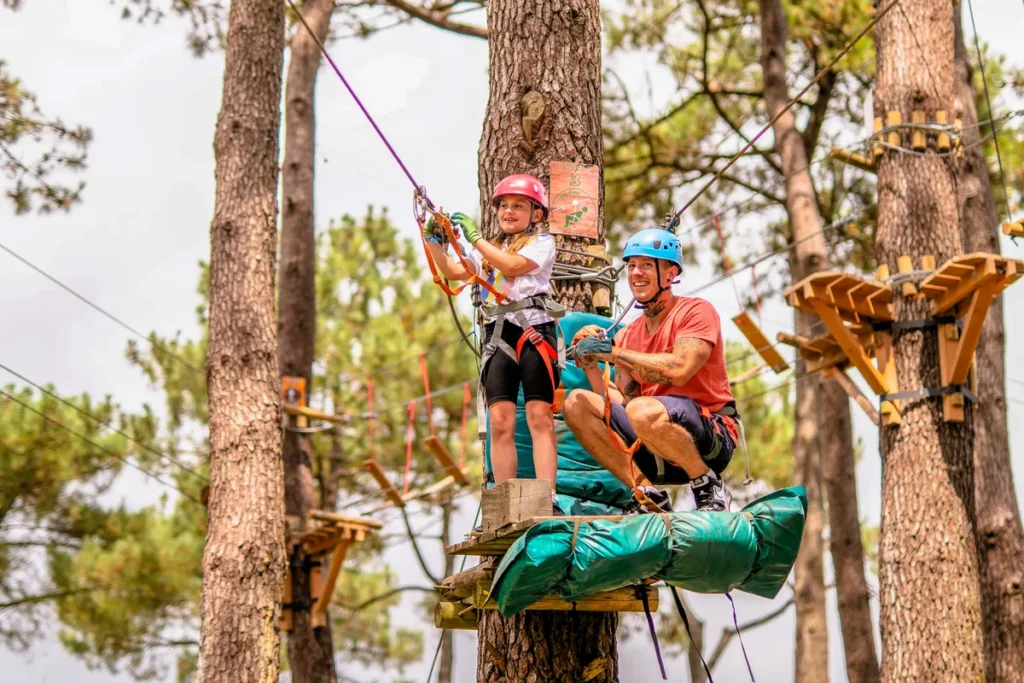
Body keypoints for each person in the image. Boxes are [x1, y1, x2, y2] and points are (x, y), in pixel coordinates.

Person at [563, 228, 738, 513]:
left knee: (643, 411)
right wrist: (592, 366)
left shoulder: (695, 312)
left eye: (646, 265)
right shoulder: (628, 335)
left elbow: (680, 369)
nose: (636, 273)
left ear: (669, 274)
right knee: (576, 403)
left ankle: (708, 484)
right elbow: (623, 402)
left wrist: (613, 352)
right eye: (631, 266)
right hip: (656, 441)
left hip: (710, 440)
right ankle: (646, 493)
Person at [422, 174, 564, 514]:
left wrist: (474, 237)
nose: (510, 211)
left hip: (533, 329)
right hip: (499, 333)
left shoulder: (542, 243)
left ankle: (549, 497)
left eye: (519, 206)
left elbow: (512, 266)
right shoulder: (487, 251)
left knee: (538, 415)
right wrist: (434, 240)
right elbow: (453, 271)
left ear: (536, 214)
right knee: (500, 420)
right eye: (504, 205)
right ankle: (504, 502)